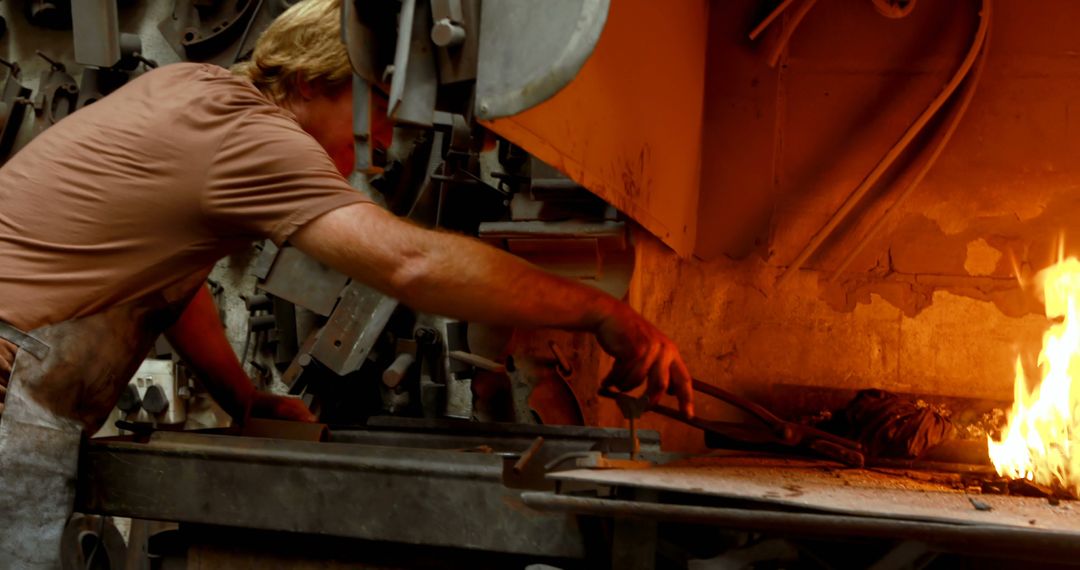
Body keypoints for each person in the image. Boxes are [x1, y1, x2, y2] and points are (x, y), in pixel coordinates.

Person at [0, 0, 694, 567]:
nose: (387, 140)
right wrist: (602, 313)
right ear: (307, 82)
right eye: (377, 107)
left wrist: (242, 398)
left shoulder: (190, 91)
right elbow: (410, 266)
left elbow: (168, 286)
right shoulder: (252, 137)